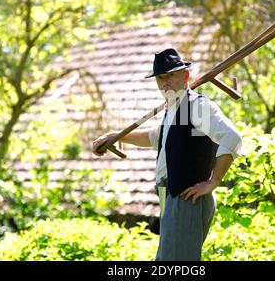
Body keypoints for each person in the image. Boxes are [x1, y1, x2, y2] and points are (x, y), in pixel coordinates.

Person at [92, 48, 242, 261]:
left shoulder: (196, 106)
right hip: (172, 198)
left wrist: (213, 181)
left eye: (170, 75)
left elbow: (232, 137)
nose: (165, 82)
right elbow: (157, 137)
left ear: (186, 75)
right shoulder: (174, 109)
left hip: (187, 198)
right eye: (160, 78)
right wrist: (118, 136)